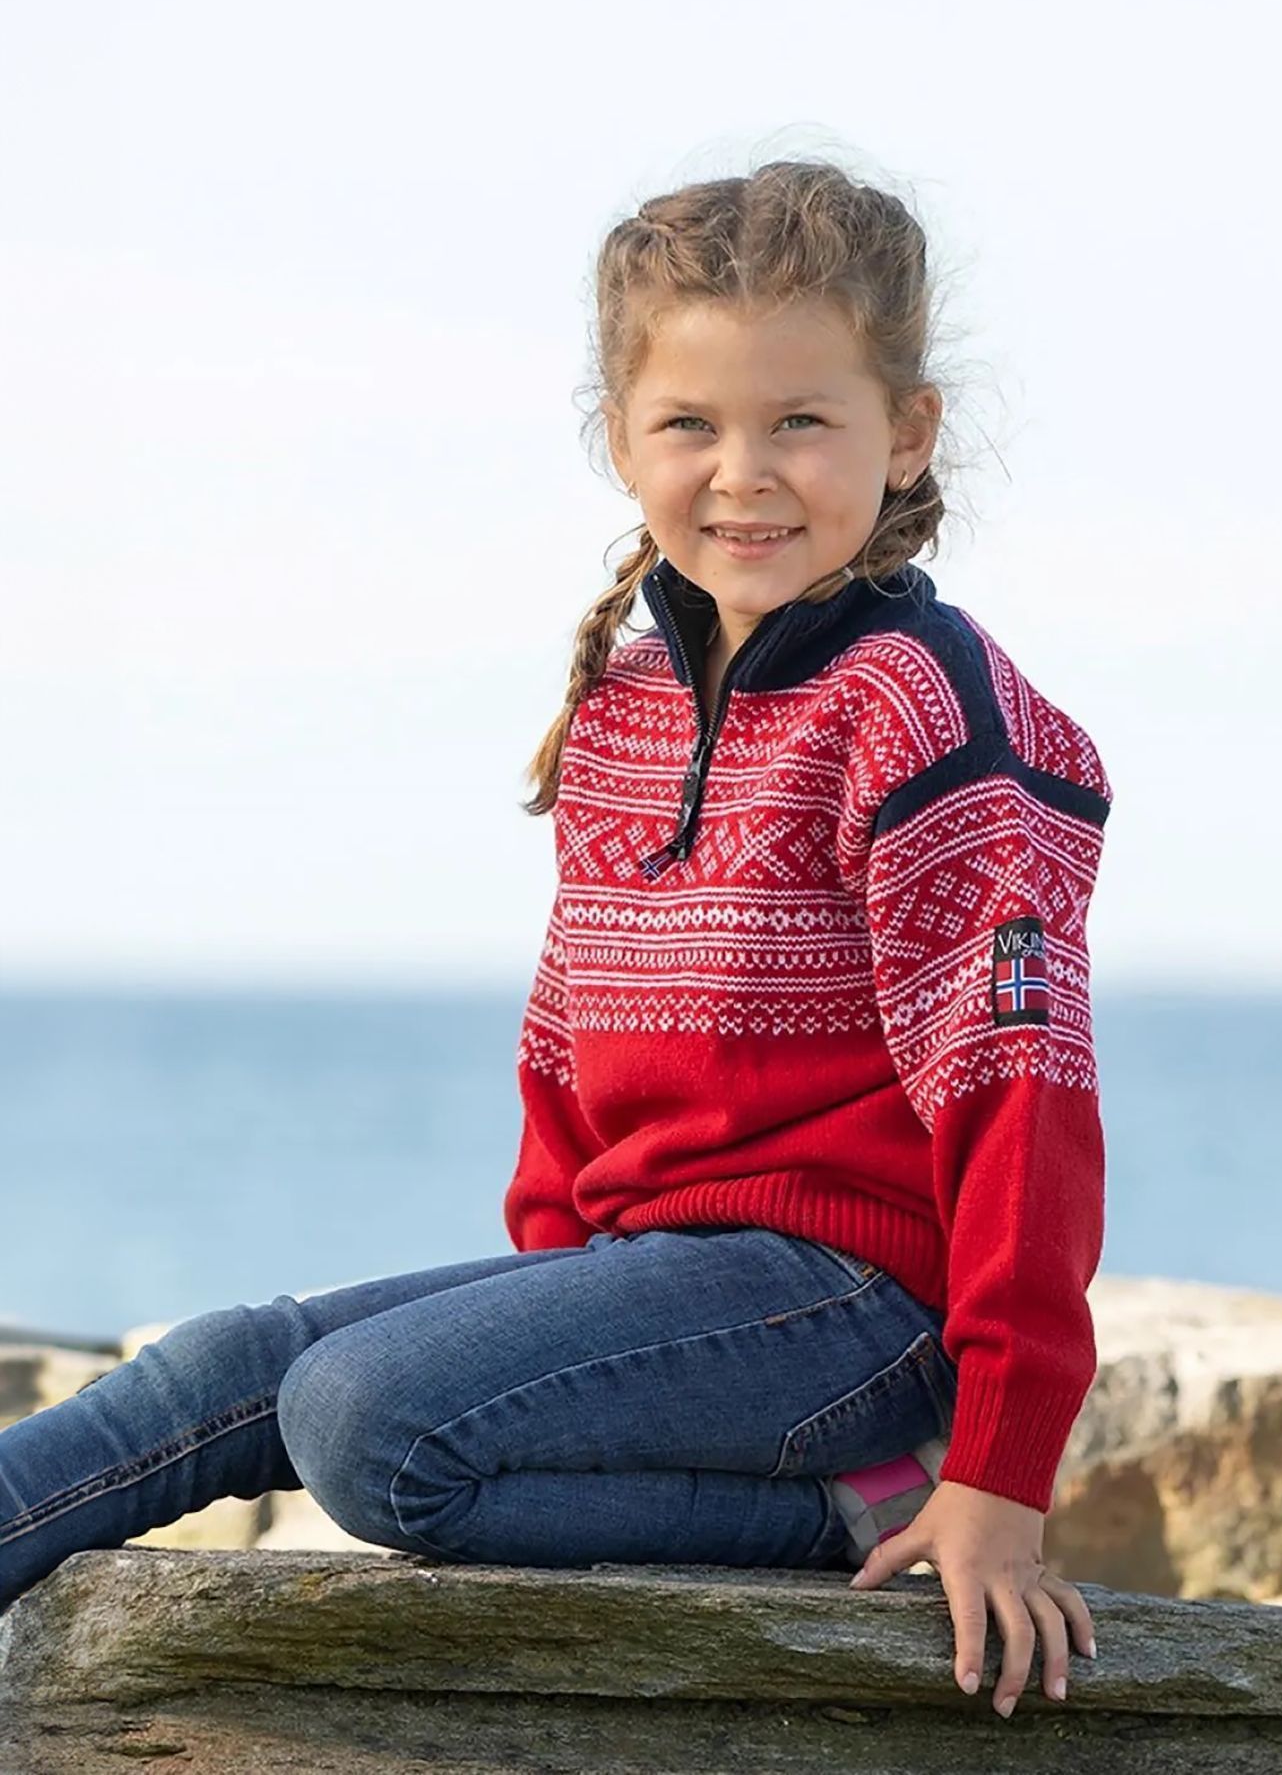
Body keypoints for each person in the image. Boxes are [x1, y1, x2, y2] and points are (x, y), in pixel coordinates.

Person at [0, 157, 1110, 1723]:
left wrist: (1002, 1469)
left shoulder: (930, 716)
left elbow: (1025, 1102)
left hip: (862, 1309)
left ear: (907, 432)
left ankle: (861, 1505)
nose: (745, 473)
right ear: (620, 438)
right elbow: (569, 1040)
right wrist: (541, 1326)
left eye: (802, 420)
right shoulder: (627, 705)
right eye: (690, 424)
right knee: (233, 1359)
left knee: (368, 1423)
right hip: (669, 1277)